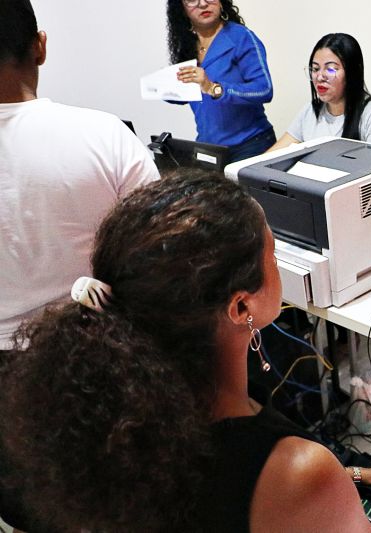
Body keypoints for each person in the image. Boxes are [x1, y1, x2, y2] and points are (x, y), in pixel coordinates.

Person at [0, 170, 371, 532]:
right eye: (274, 254)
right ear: (242, 304)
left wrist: (354, 476)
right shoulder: (293, 468)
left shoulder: (105, 419)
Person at [0, 1, 160, 528]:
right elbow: (166, 252)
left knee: (34, 511)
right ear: (40, 45)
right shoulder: (106, 136)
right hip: (101, 366)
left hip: (5, 386)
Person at [167, 0, 276, 161]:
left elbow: (264, 90)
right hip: (209, 148)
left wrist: (214, 88)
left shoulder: (241, 37)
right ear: (181, 8)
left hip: (251, 144)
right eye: (191, 0)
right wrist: (168, 90)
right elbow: (194, 94)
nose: (203, 4)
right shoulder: (186, 44)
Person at [270, 32, 371, 151]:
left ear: (352, 73)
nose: (320, 77)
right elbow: (271, 157)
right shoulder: (310, 111)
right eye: (315, 69)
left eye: (330, 69)